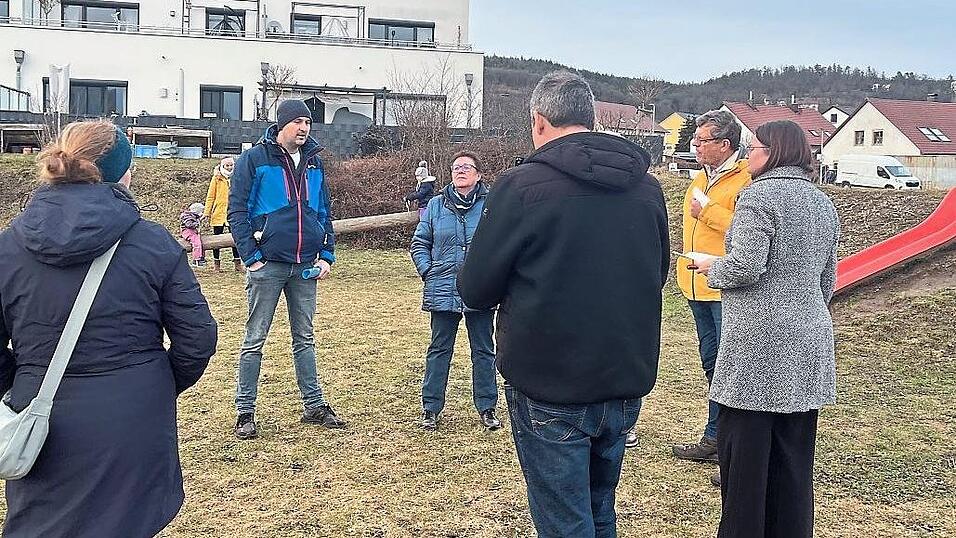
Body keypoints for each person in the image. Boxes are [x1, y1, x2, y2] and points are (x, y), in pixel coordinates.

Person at [458, 72, 669, 537]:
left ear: (538, 121)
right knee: (598, 513)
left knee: (564, 522)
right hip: (623, 376)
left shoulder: (521, 186)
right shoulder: (648, 189)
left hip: (550, 382)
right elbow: (657, 275)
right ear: (590, 118)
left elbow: (475, 289)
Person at [0, 120, 217, 537]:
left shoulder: (8, 246)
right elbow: (198, 336)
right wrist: (153, 383)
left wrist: (21, 382)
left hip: (38, 413)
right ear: (122, 173)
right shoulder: (153, 243)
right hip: (132, 414)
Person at [693, 120, 840, 538]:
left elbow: (745, 266)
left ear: (774, 152)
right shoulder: (822, 203)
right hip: (808, 342)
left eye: (755, 148)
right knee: (794, 462)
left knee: (745, 466)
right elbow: (826, 281)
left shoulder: (758, 198)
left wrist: (709, 266)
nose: (749, 155)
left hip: (759, 349)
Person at [228, 99, 346, 439]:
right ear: (281, 125)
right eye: (297, 122)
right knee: (254, 339)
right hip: (267, 265)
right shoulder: (254, 160)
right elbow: (237, 211)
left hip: (305, 266)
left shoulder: (315, 163)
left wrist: (326, 254)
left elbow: (324, 211)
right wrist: (251, 257)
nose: (304, 128)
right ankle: (245, 411)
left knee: (305, 338)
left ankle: (314, 405)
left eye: (307, 122)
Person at [670, 110, 752, 470]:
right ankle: (715, 438)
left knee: (729, 369)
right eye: (696, 140)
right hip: (695, 284)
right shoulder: (699, 179)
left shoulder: (748, 180)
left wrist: (709, 212)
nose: (696, 146)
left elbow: (749, 230)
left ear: (725, 144)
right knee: (711, 366)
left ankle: (728, 446)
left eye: (703, 141)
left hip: (725, 288)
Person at [410, 151, 501, 432]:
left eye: (466, 167)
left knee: (484, 351)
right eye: (455, 167)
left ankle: (487, 408)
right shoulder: (436, 205)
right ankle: (431, 408)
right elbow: (419, 243)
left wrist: (493, 276)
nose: (460, 171)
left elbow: (503, 244)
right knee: (439, 349)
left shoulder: (492, 205)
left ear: (478, 174)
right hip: (443, 288)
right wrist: (429, 271)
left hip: (480, 289)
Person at [204, 157, 243, 272]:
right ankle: (216, 264)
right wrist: (207, 212)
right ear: (222, 166)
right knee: (216, 240)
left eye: (231, 165)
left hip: (233, 212)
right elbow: (211, 196)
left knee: (234, 238)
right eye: (227, 166)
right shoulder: (216, 178)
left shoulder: (238, 177)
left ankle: (237, 263)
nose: (230, 167)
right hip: (219, 213)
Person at [180, 201, 206, 267]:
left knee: (200, 241)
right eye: (201, 211)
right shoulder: (187, 216)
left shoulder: (193, 216)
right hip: (188, 231)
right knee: (197, 243)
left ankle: (201, 257)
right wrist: (196, 223)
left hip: (193, 231)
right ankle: (196, 260)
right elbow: (189, 224)